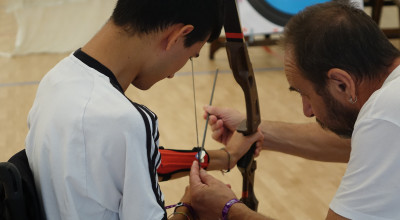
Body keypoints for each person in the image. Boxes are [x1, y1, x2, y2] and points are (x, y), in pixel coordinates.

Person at [24, 0, 264, 219]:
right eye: (191, 55)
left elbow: (125, 164)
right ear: (178, 36)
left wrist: (226, 157)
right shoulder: (125, 121)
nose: (172, 74)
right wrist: (189, 208)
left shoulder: (54, 80)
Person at [189, 1, 400, 220]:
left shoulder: (384, 115)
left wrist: (227, 210)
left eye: (305, 94)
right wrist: (255, 129)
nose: (306, 111)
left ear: (342, 84)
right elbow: (354, 144)